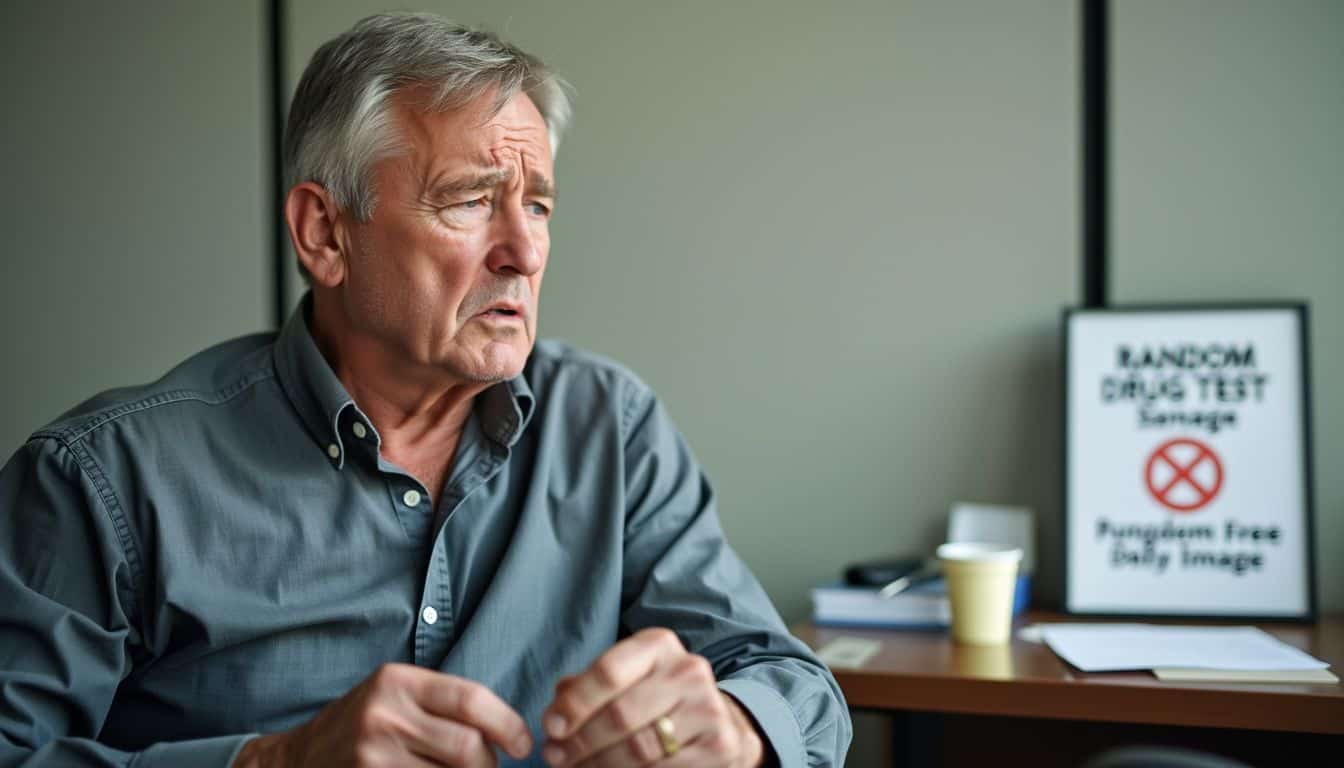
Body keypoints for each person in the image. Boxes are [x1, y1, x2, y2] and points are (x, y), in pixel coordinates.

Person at [0, 12, 850, 768]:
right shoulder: (101, 481)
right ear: (325, 232)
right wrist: (275, 763)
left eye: (540, 205)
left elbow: (787, 681)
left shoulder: (607, 427)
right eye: (472, 199)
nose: (524, 250)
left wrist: (733, 730)